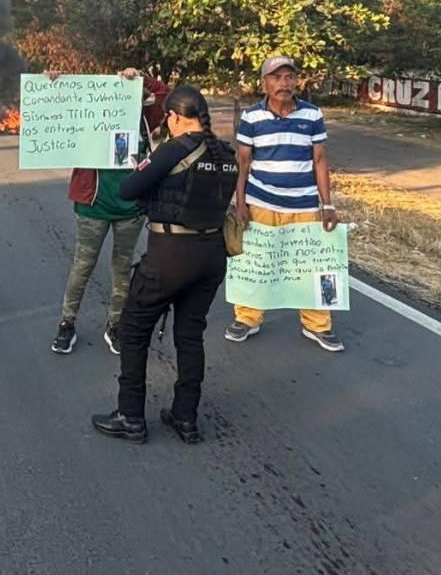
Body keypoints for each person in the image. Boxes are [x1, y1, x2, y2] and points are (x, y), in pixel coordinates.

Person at [91, 86, 237, 445]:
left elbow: (128, 189)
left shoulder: (173, 149)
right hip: (212, 255)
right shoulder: (225, 153)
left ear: (173, 116)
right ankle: (185, 417)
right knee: (190, 336)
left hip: (171, 254)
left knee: (134, 328)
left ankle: (130, 416)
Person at [225, 55, 343, 352]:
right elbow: (243, 164)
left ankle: (317, 325)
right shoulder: (252, 118)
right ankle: (247, 318)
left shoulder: (312, 115)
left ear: (296, 81)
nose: (283, 84)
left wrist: (327, 205)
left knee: (309, 265)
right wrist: (240, 204)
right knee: (257, 263)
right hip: (261, 202)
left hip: (303, 204)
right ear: (264, 83)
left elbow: (319, 160)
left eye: (289, 77)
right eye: (276, 78)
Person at [52, 66, 169, 355]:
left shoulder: (143, 118)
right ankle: (67, 323)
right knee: (82, 265)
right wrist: (55, 82)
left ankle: (115, 324)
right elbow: (55, 107)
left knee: (122, 268)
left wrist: (141, 76)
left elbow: (164, 94)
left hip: (129, 208)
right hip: (92, 205)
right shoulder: (87, 117)